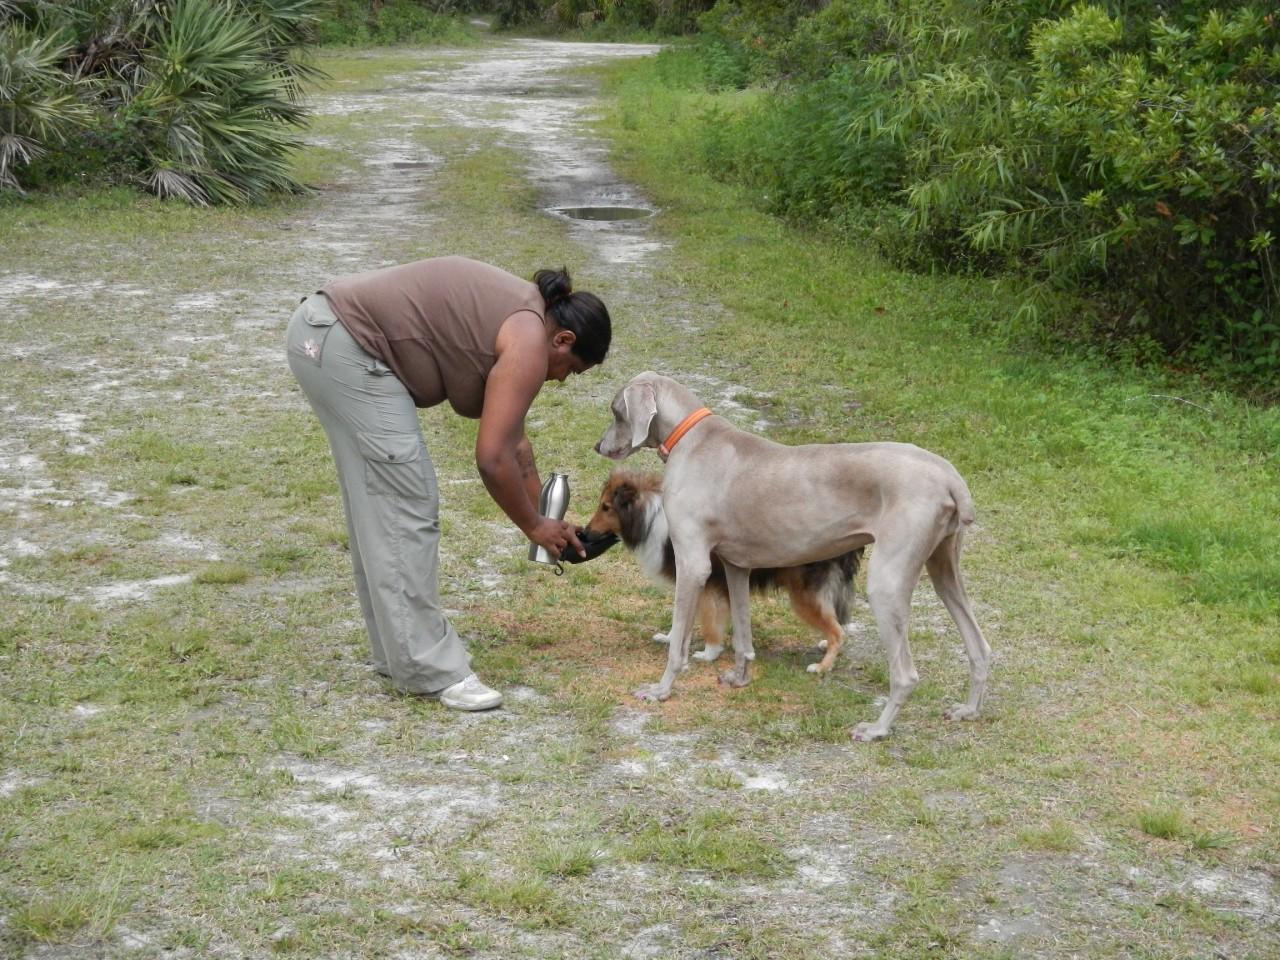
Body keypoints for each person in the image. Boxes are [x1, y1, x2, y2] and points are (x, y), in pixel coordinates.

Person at [285, 256, 610, 710]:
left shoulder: (525, 314)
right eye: (570, 369)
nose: (559, 380)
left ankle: (399, 655)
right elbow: (492, 459)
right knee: (406, 506)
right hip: (348, 346)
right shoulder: (529, 341)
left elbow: (515, 445)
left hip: (322, 332)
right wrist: (534, 528)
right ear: (563, 339)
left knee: (380, 505)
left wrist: (550, 520)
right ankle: (429, 670)